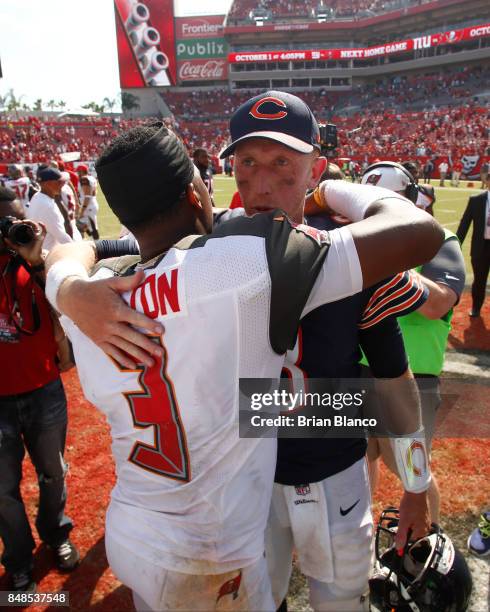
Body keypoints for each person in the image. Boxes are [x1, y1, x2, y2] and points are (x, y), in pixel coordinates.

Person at [45, 102, 442, 610]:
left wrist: (413, 484)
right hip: (248, 496)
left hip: (332, 469)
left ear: (315, 168)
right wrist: (74, 288)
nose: (262, 183)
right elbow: (105, 245)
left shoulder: (344, 248)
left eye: (283, 163)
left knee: (342, 600)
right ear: (226, 171)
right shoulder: (212, 239)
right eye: (248, 163)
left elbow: (393, 381)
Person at [361, 161, 466, 524]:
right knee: (355, 463)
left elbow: (437, 304)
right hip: (354, 369)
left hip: (411, 375)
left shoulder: (437, 239)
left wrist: (384, 265)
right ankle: (360, 541)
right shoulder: (359, 242)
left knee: (410, 470)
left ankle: (428, 545)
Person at [0, 187, 79, 593]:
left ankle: (56, 533)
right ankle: (17, 559)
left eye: (17, 219)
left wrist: (39, 261)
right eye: (5, 223)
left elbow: (68, 303)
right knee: (3, 491)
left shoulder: (36, 262)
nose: (12, 229)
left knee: (53, 473)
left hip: (44, 387)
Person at [456, 173, 490, 317]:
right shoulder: (476, 200)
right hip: (480, 248)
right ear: (487, 181)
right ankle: (476, 307)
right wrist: (455, 244)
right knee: (479, 280)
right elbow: (465, 224)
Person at [28, 168, 73, 252]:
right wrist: (75, 250)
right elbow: (61, 236)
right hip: (49, 254)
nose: (63, 184)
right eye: (59, 182)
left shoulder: (38, 196)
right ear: (48, 184)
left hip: (42, 249)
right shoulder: (47, 205)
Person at [76, 164, 99, 240]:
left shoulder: (84, 179)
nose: (77, 173)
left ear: (82, 171)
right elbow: (95, 192)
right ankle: (94, 241)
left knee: (85, 226)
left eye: (78, 171)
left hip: (88, 206)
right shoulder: (91, 178)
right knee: (88, 226)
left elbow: (87, 196)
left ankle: (97, 245)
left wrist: (82, 209)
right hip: (92, 204)